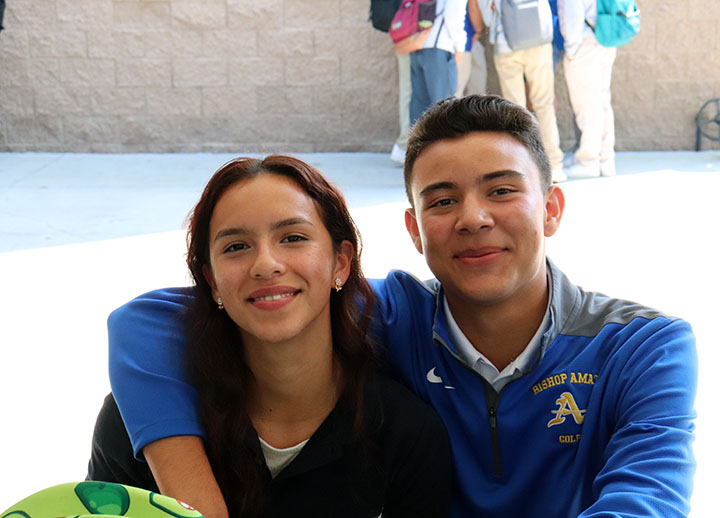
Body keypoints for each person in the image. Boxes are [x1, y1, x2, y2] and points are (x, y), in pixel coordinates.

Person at [104, 95, 697, 517]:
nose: (473, 218)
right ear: (415, 229)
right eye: (442, 200)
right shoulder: (394, 315)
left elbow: (647, 500)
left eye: (502, 190)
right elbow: (145, 322)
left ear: (552, 209)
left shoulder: (645, 347)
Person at [88, 156, 452, 518]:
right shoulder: (138, 421)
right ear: (212, 281)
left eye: (293, 238)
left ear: (341, 262)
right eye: (236, 246)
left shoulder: (407, 434)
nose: (266, 264)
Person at [477, 0, 566, 183]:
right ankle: (555, 165)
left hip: (506, 46)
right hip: (539, 41)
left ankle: (520, 167)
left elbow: (487, 17)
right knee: (544, 104)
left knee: (515, 109)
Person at [559, 0, 617, 178]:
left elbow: (572, 17)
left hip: (585, 45)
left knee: (587, 106)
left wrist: (571, 51)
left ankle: (587, 161)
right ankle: (606, 160)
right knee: (602, 102)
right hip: (605, 40)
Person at [407, 0, 467, 125]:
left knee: (419, 106)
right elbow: (453, 16)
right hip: (439, 47)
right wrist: (459, 48)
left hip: (417, 45)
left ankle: (417, 144)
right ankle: (443, 144)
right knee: (444, 108)